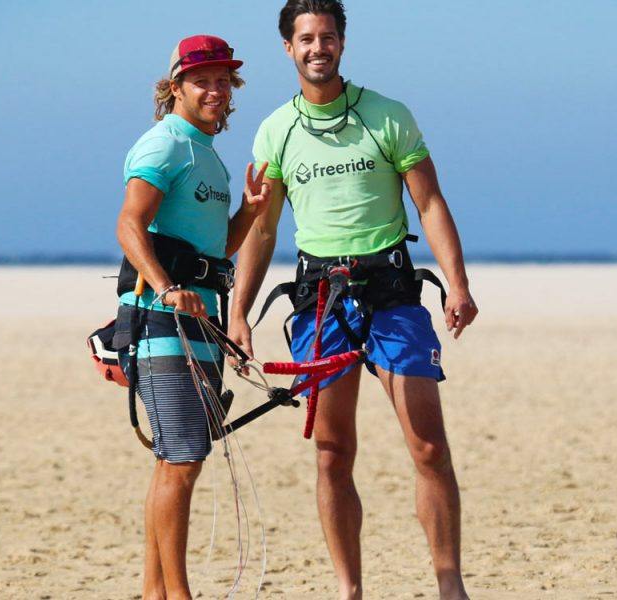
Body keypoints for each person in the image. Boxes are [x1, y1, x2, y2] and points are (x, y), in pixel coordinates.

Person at [228, 2, 478, 599]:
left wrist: (459, 283)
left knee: (427, 445)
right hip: (320, 299)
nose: (319, 48)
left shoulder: (387, 116)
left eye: (329, 37)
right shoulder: (274, 131)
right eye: (306, 39)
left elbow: (431, 204)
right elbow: (262, 230)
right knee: (333, 453)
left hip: (392, 293)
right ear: (288, 48)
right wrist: (238, 311)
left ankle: (450, 584)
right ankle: (349, 590)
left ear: (343, 43)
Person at [114, 35, 269, 600]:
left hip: (199, 321)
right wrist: (168, 287)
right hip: (161, 322)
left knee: (179, 459)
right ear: (175, 86)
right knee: (181, 456)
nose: (215, 89)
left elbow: (217, 250)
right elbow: (129, 225)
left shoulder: (206, 153)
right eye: (202, 79)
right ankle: (177, 595)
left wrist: (248, 214)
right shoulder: (166, 144)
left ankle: (157, 592)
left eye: (224, 80)